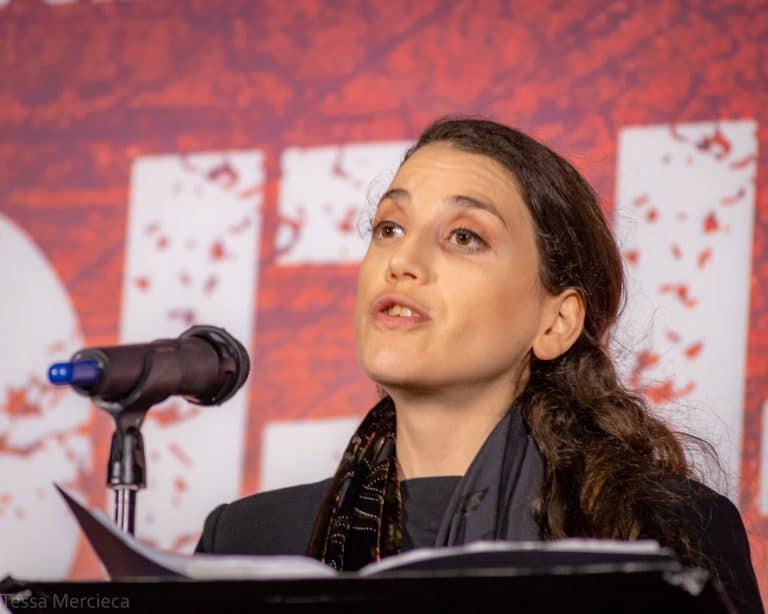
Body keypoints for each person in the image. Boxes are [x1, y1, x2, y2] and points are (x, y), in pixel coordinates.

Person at [195, 118, 763, 612]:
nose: (402, 261)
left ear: (556, 322)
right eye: (389, 228)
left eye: (464, 236)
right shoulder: (248, 542)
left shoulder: (665, 531)